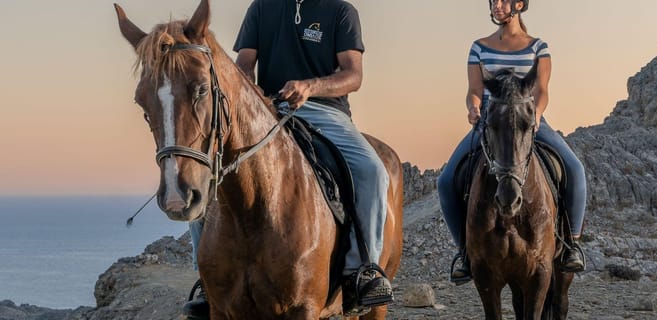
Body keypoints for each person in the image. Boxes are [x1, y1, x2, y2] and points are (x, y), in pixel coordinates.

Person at [183, 0, 392, 317]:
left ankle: (364, 271)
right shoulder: (262, 8)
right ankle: (208, 283)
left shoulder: (341, 12)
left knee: (373, 172)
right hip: (268, 111)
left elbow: (353, 75)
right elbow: (244, 67)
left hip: (326, 112)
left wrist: (311, 87)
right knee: (207, 175)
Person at [436, 0, 588, 285]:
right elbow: (474, 90)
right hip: (491, 124)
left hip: (528, 122)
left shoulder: (538, 47)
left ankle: (570, 245)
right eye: (494, 1)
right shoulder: (479, 47)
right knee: (445, 181)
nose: (497, 5)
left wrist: (537, 115)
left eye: (504, 0)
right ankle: (465, 253)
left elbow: (542, 90)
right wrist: (473, 108)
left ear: (520, 4)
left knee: (575, 169)